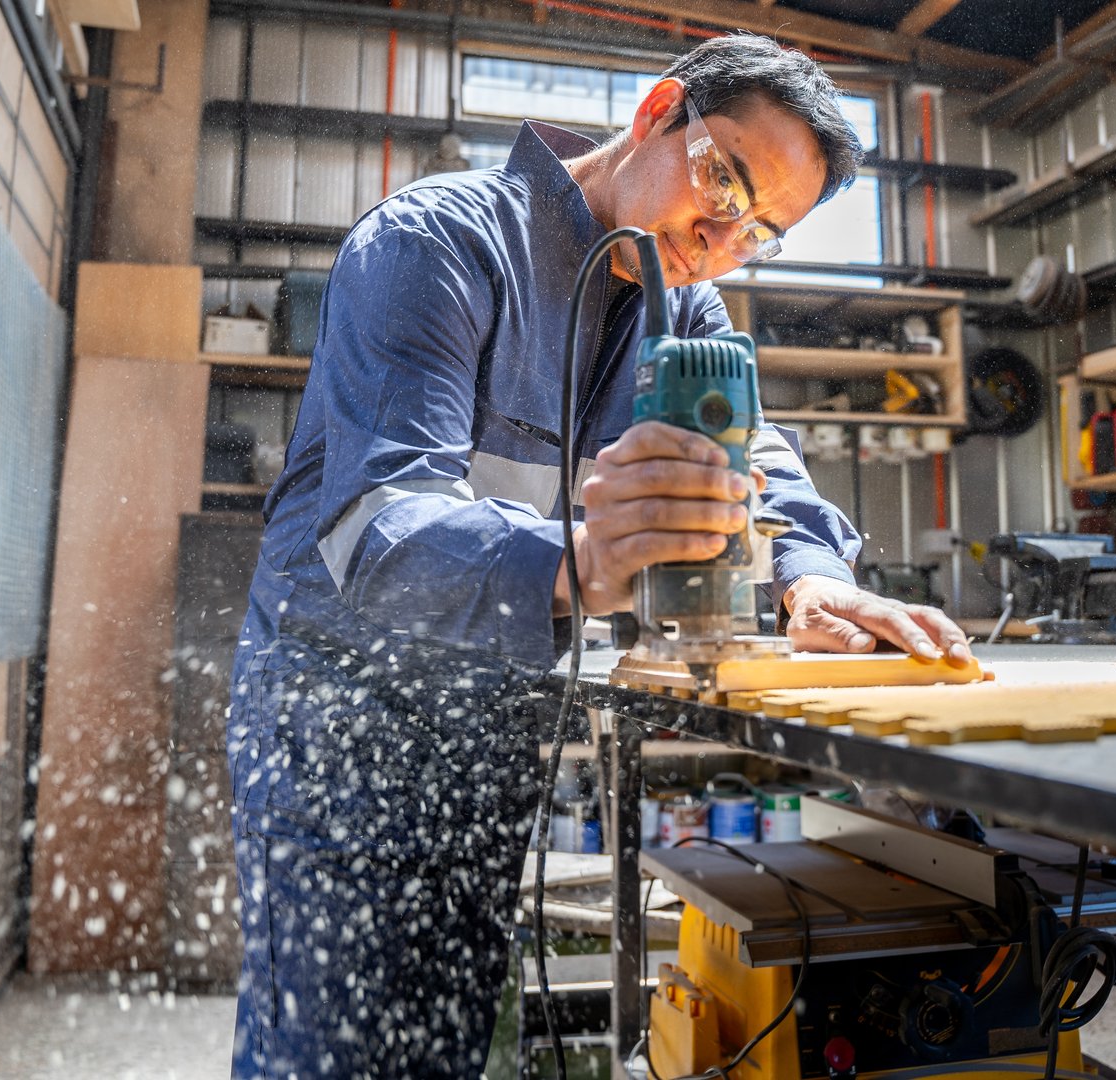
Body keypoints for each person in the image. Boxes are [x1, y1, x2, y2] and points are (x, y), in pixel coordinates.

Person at [227, 32, 973, 1079]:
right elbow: (379, 526)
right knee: (330, 1055)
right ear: (659, 108)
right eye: (724, 179)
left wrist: (813, 578)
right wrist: (583, 558)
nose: (720, 236)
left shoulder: (686, 308)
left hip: (487, 734)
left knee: (443, 1043)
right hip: (337, 728)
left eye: (758, 232)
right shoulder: (436, 244)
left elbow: (755, 449)